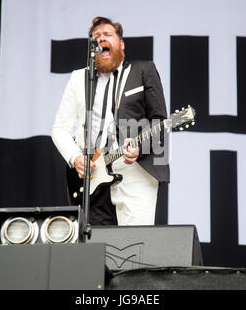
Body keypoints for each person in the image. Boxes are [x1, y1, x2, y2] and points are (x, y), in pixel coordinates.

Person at [52, 16, 169, 226]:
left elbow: (160, 123)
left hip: (135, 170)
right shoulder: (79, 78)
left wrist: (139, 148)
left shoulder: (143, 70)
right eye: (96, 36)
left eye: (108, 34)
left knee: (135, 243)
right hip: (94, 173)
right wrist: (75, 157)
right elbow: (60, 129)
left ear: (121, 44)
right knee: (96, 246)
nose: (101, 38)